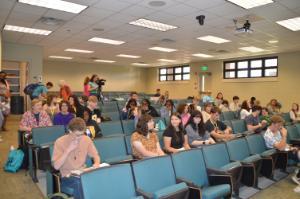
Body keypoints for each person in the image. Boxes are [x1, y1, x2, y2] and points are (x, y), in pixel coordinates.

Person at [52, 117, 100, 199]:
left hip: (82, 172)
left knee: (102, 178)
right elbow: (56, 166)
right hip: (67, 176)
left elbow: (95, 155)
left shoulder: (86, 139)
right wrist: (68, 150)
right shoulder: (59, 142)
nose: (80, 137)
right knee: (80, 183)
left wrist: (96, 164)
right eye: (78, 135)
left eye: (82, 134)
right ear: (70, 131)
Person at [263, 115, 300, 186]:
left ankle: (298, 173)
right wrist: (284, 136)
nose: (281, 127)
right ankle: (297, 177)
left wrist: (291, 147)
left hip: (286, 150)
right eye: (279, 125)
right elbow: (280, 147)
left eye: (281, 125)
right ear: (273, 124)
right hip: (279, 153)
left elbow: (284, 144)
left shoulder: (277, 130)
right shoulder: (268, 135)